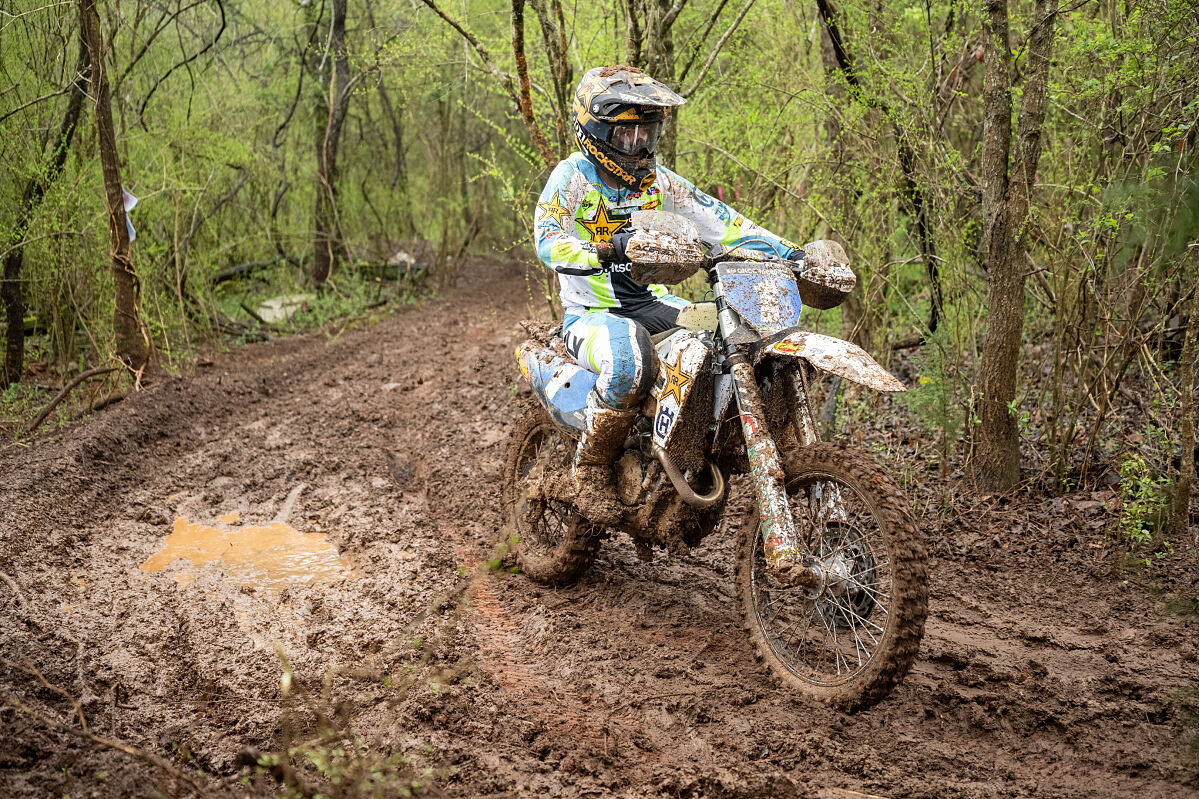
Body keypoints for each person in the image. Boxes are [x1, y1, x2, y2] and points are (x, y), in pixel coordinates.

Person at [533, 64, 804, 523]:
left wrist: (792, 253)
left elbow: (726, 223)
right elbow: (546, 238)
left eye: (648, 133)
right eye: (627, 134)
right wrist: (605, 248)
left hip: (654, 303)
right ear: (595, 132)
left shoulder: (661, 184)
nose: (640, 145)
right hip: (591, 313)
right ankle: (590, 470)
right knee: (629, 360)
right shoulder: (572, 176)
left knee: (727, 337)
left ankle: (693, 446)